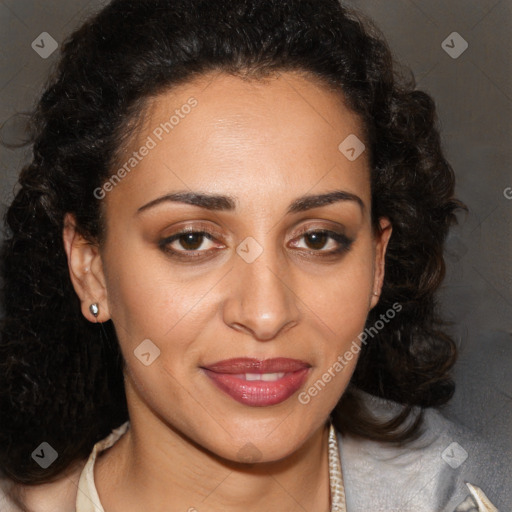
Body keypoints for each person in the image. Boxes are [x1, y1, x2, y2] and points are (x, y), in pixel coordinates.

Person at [0, 0, 504, 510]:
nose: (266, 313)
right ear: (91, 268)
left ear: (377, 262)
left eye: (317, 238)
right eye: (193, 239)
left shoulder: (481, 489)